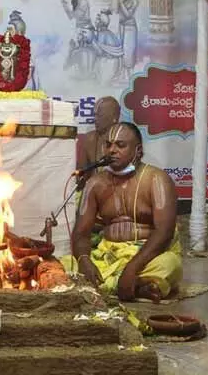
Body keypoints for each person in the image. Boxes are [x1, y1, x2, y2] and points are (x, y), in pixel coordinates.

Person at [66, 122, 182, 301]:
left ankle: (121, 283)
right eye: (108, 144)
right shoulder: (95, 183)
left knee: (169, 264)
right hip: (108, 256)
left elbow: (164, 232)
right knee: (65, 264)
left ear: (138, 151)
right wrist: (84, 260)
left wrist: (131, 269)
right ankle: (139, 287)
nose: (112, 150)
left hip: (146, 256)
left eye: (120, 145)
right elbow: (81, 233)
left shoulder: (156, 179)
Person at [77, 97, 121, 169]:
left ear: (115, 117)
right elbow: (81, 172)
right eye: (95, 115)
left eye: (100, 115)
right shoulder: (89, 139)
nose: (95, 119)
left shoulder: (126, 138)